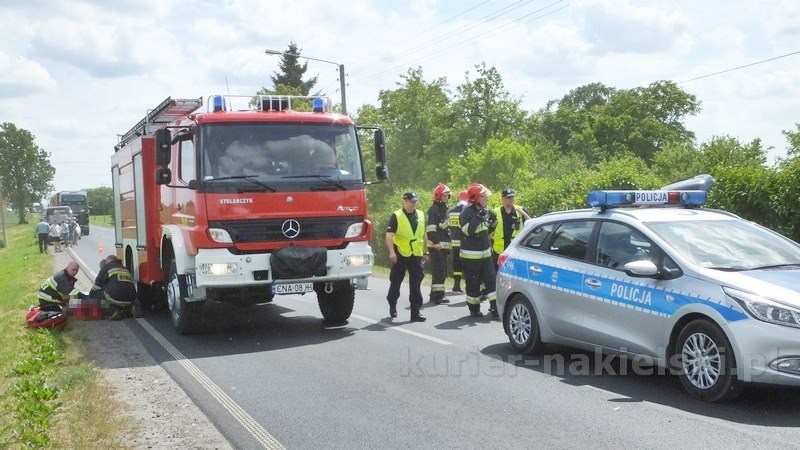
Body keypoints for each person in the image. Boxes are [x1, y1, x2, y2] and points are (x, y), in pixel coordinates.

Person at [385, 192, 428, 322]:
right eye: (411, 201)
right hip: (401, 253)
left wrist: (426, 251)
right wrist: (392, 252)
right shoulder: (397, 215)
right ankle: (392, 303)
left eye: (415, 201)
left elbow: (424, 234)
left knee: (416, 283)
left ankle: (415, 312)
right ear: (405, 201)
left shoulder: (420, 214)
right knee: (396, 281)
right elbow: (389, 236)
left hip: (416, 254)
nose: (413, 203)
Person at [459, 183, 498, 318]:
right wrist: (478, 218)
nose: (485, 199)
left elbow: (487, 231)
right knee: (473, 284)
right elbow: (468, 231)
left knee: (491, 280)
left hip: (486, 255)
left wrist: (493, 223)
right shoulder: (466, 213)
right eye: (482, 196)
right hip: (470, 257)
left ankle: (495, 307)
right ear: (475, 198)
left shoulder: (484, 211)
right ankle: (474, 308)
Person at [492, 188, 531, 267]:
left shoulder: (520, 210)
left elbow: (531, 224)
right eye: (508, 197)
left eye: (512, 197)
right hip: (499, 251)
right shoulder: (495, 212)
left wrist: (523, 213)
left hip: (515, 249)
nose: (511, 199)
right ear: (503, 199)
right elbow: (489, 231)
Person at [90, 255, 137, 320]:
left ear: (108, 261)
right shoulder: (125, 268)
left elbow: (97, 286)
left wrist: (91, 296)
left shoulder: (107, 267)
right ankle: (129, 309)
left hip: (115, 296)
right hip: (131, 298)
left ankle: (112, 311)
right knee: (114, 294)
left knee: (97, 297)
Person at [426, 183, 452, 304]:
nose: (447, 198)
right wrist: (436, 243)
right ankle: (438, 296)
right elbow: (431, 229)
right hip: (436, 247)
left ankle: (435, 294)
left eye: (448, 196)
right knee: (439, 272)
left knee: (442, 271)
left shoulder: (444, 209)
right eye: (445, 195)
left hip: (443, 247)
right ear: (439, 196)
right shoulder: (434, 210)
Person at [448, 190, 468, 292]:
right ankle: (468, 286)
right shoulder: (467, 211)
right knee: (467, 265)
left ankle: (456, 285)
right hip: (465, 243)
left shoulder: (450, 212)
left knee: (456, 264)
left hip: (454, 242)